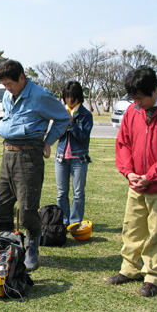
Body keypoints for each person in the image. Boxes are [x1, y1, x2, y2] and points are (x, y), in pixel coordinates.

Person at [108, 65, 157, 297]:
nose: (136, 103)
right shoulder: (133, 111)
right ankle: (129, 268)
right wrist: (128, 172)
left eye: (140, 98)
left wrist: (150, 177)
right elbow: (123, 143)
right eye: (133, 98)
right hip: (136, 183)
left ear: (155, 90)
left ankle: (153, 276)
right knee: (132, 228)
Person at [0, 59, 69, 272]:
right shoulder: (8, 96)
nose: (7, 89)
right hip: (7, 154)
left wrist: (49, 141)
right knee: (1, 207)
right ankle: (6, 248)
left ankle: (32, 248)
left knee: (27, 211)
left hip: (28, 156)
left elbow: (63, 117)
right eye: (4, 85)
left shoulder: (40, 95)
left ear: (22, 78)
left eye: (11, 84)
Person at [55, 81, 93, 227]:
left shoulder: (86, 115)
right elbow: (57, 134)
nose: (70, 101)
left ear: (79, 97)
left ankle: (75, 221)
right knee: (62, 192)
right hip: (60, 157)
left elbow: (84, 137)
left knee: (78, 193)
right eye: (67, 97)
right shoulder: (61, 113)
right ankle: (64, 221)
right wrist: (63, 122)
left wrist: (72, 123)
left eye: (73, 97)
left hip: (79, 159)